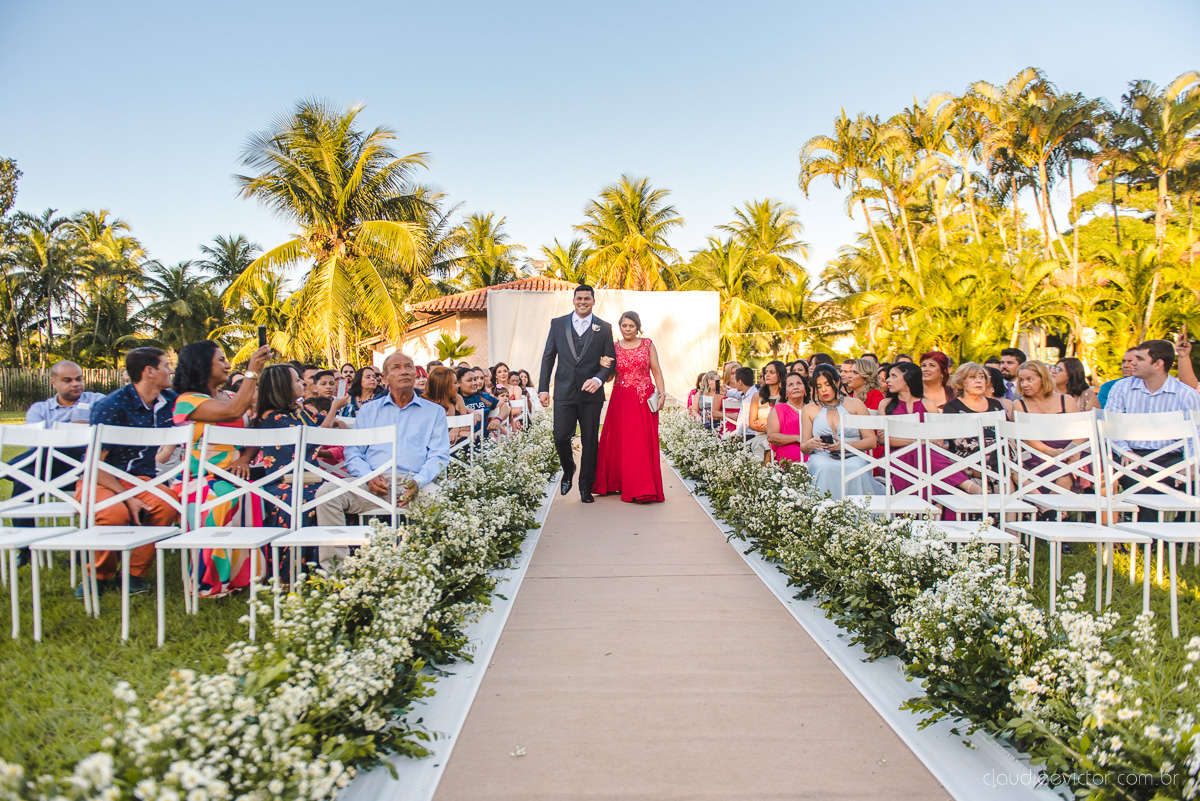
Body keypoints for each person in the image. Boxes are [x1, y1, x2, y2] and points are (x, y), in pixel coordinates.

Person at [315, 352, 450, 566]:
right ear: (384, 379)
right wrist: (369, 476)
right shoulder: (368, 411)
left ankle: (430, 568)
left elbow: (439, 455)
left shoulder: (434, 412)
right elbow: (353, 452)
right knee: (326, 495)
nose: (404, 371)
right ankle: (336, 572)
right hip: (372, 484)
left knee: (441, 501)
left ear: (416, 375)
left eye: (408, 366)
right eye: (396, 367)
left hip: (414, 484)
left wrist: (418, 481)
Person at [173, 340, 271, 597]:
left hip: (237, 473)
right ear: (202, 364)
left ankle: (246, 577)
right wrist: (252, 371)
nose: (228, 364)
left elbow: (255, 431)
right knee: (222, 496)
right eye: (221, 359)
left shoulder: (230, 396)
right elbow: (231, 413)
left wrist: (245, 458)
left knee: (254, 494)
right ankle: (210, 581)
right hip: (199, 478)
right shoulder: (187, 401)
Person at [77, 348, 178, 597]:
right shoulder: (111, 406)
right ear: (149, 371)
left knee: (167, 504)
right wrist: (127, 498)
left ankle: (133, 573)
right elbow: (94, 464)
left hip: (140, 478)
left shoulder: (170, 402)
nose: (170, 371)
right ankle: (98, 574)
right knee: (113, 513)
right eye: (166, 365)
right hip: (101, 477)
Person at [6, 360, 105, 566]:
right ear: (54, 383)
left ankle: (10, 468)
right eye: (67, 380)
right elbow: (35, 443)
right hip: (50, 468)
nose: (76, 384)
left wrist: (65, 435)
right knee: (27, 476)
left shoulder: (98, 401)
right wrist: (73, 431)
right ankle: (26, 548)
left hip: (88, 468)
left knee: (27, 468)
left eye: (79, 379)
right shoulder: (40, 409)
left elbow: (107, 430)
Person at [537, 284, 617, 503]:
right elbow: (548, 357)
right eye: (579, 298)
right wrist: (543, 388)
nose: (583, 302)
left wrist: (599, 379)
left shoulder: (604, 327)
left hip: (592, 395)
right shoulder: (558, 324)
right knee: (560, 436)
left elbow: (609, 360)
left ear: (593, 301)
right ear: (573, 300)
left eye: (587, 298)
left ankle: (585, 487)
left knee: (590, 440)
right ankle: (568, 467)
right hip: (564, 391)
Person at [1105, 339, 1200, 520]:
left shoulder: (1186, 394)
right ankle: (1150, 530)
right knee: (1136, 478)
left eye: (1139, 359)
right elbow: (1110, 427)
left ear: (1158, 364)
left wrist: (1192, 463)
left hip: (1172, 457)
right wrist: (1125, 451)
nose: (1132, 363)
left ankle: (1181, 529)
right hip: (1131, 454)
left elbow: (1195, 435)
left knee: (1193, 478)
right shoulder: (1121, 388)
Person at [593, 311, 666, 503]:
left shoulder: (648, 344)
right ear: (620, 327)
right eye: (624, 326)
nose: (627, 329)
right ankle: (618, 482)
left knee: (641, 441)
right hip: (622, 399)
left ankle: (643, 486)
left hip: (643, 399)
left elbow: (656, 370)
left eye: (631, 326)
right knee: (622, 440)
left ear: (637, 327)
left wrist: (662, 394)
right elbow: (609, 377)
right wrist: (602, 366)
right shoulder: (614, 347)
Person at [252, 365, 325, 537]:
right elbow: (316, 436)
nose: (303, 383)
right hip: (285, 481)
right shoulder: (272, 417)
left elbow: (322, 422)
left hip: (310, 478)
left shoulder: (297, 411)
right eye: (297, 380)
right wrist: (335, 407)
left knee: (336, 493)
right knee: (323, 496)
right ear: (283, 386)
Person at [799, 364, 878, 499]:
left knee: (856, 467)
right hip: (823, 456)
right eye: (819, 386)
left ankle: (859, 509)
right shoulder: (809, 409)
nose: (824, 390)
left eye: (827, 384)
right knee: (823, 466)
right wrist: (809, 444)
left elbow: (871, 441)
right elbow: (804, 448)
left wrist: (846, 446)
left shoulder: (856, 404)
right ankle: (825, 509)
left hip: (854, 455)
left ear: (837, 382)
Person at [1013, 360, 1080, 492]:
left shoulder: (1066, 400)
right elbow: (1026, 438)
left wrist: (1074, 452)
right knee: (1062, 478)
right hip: (1039, 453)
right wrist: (1050, 451)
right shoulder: (1019, 405)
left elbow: (1081, 431)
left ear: (1043, 379)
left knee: (1105, 476)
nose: (1024, 384)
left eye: (1029, 379)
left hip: (1071, 450)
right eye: (1021, 380)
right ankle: (1052, 506)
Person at [943, 362, 1007, 469]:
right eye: (972, 377)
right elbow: (959, 442)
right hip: (967, 459)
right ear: (961, 382)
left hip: (1000, 456)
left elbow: (1006, 432)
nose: (979, 381)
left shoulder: (995, 404)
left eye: (982, 377)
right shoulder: (952, 407)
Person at [766, 372, 809, 464]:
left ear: (805, 389)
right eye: (790, 385)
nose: (795, 387)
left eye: (799, 383)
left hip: (812, 447)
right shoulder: (778, 409)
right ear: (785, 392)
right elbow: (771, 436)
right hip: (789, 451)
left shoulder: (812, 409)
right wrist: (798, 438)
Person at [425, 365, 472, 443]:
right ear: (444, 386)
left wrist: (457, 429)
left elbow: (467, 427)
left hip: (459, 444)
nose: (459, 385)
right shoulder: (427, 404)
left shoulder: (457, 399)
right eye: (455, 383)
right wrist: (459, 433)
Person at [458, 365, 505, 435]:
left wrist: (498, 419)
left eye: (475, 379)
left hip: (484, 439)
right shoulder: (455, 400)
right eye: (469, 380)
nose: (475, 383)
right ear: (458, 383)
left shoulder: (483, 396)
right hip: (462, 439)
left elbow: (505, 406)